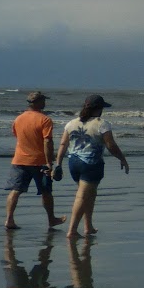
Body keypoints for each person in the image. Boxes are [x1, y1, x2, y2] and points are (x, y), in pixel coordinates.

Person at [54, 94, 129, 238]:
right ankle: (72, 230)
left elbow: (63, 144)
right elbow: (110, 145)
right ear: (99, 109)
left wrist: (59, 163)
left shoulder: (71, 123)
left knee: (90, 194)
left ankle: (88, 226)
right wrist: (122, 159)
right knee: (82, 196)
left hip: (74, 163)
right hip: (91, 164)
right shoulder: (102, 124)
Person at [3, 91, 62, 230]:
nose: (45, 103)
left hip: (19, 159)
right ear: (37, 103)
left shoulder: (18, 119)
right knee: (46, 191)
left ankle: (9, 219)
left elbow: (17, 136)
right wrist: (49, 162)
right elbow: (47, 141)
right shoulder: (44, 119)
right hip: (39, 160)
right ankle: (51, 219)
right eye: (43, 101)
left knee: (15, 190)